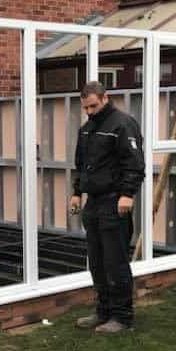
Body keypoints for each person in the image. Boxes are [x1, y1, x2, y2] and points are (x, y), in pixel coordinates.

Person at [69, 81, 145, 334]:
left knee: (116, 262)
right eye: (85, 107)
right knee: (97, 262)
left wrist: (127, 194)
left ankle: (123, 317)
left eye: (93, 105)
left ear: (105, 98)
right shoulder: (87, 129)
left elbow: (134, 163)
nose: (89, 111)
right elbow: (81, 164)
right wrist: (77, 192)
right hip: (94, 203)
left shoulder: (123, 124)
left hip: (115, 202)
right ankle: (103, 312)